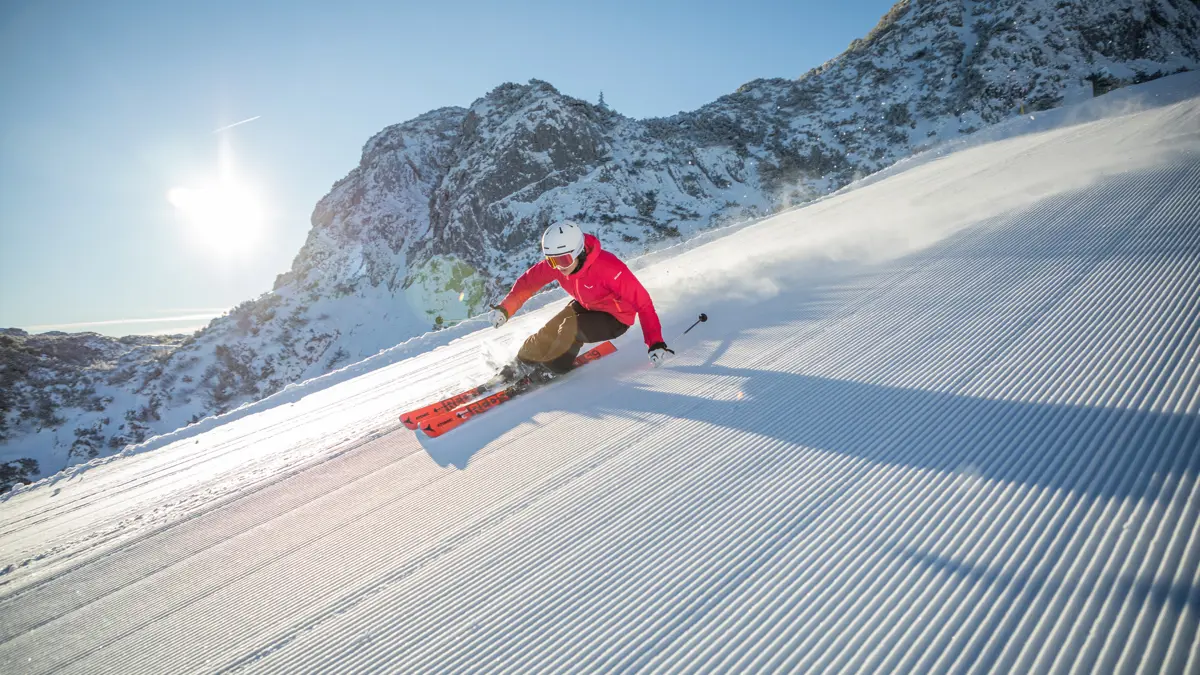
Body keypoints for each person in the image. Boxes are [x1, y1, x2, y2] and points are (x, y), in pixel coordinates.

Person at [487, 221, 674, 378]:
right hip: (589, 305)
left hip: (616, 318)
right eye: (552, 260)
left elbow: (643, 303)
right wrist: (505, 309)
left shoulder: (609, 268)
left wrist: (655, 343)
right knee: (550, 329)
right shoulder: (557, 264)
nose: (559, 267)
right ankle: (520, 363)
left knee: (571, 326)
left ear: (579, 252)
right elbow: (528, 284)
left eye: (565, 260)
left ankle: (553, 368)